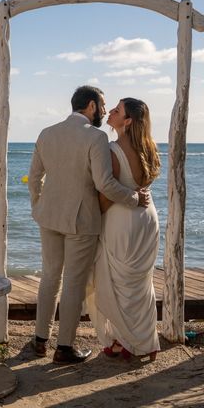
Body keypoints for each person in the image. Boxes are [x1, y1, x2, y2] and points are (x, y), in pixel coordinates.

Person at [28, 86, 149, 364]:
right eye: (104, 106)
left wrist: (38, 208)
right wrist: (134, 198)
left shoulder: (47, 133)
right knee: (73, 282)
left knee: (49, 277)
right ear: (92, 106)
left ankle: (39, 341)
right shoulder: (95, 138)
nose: (106, 111)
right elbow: (104, 183)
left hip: (48, 217)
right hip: (81, 221)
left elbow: (34, 178)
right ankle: (64, 348)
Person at [85, 98, 161, 361]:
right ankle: (142, 341)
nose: (112, 112)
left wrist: (91, 213)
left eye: (118, 111)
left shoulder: (112, 150)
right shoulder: (150, 148)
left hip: (122, 220)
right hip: (147, 218)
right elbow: (144, 184)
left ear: (127, 121)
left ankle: (128, 342)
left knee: (115, 281)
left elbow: (108, 193)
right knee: (139, 284)